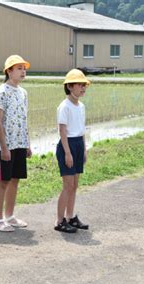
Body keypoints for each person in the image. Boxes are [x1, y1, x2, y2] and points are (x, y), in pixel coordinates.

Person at [0, 55, 32, 233]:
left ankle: (9, 215)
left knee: (15, 180)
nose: (23, 71)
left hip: (20, 143)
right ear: (9, 71)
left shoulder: (23, 93)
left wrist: (27, 144)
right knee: (3, 181)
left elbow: (24, 119)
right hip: (5, 146)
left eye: (24, 68)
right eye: (19, 68)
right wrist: (4, 147)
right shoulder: (2, 91)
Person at [54, 69, 90, 233]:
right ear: (69, 86)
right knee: (67, 185)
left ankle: (70, 217)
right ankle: (59, 220)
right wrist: (68, 153)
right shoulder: (64, 106)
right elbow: (62, 131)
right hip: (67, 145)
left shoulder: (81, 106)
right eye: (80, 85)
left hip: (78, 145)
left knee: (75, 185)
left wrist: (84, 149)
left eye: (84, 85)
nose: (83, 88)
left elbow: (82, 129)